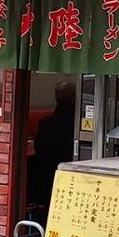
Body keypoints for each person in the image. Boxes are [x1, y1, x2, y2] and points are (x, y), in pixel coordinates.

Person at [27, 80, 76, 214]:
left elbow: (39, 149)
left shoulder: (46, 123)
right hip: (66, 177)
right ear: (74, 99)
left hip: (45, 179)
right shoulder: (75, 124)